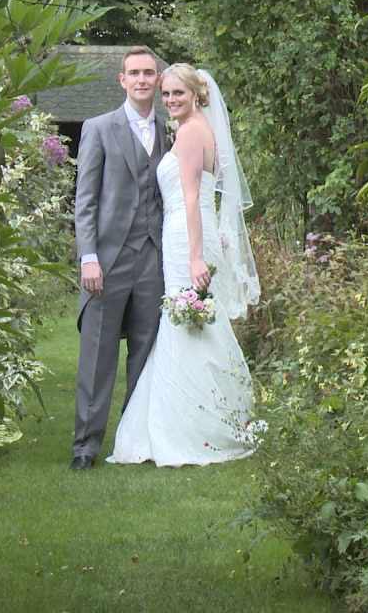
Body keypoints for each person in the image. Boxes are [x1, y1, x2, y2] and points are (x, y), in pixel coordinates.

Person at [106, 64, 262, 467]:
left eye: (179, 94)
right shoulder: (192, 129)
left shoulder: (193, 132)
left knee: (188, 323)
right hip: (186, 232)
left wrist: (194, 257)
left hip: (186, 236)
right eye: (167, 95)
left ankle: (191, 427)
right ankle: (199, 417)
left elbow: (191, 197)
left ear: (197, 95)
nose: (171, 101)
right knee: (189, 324)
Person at [69, 46, 169, 470]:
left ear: (158, 80)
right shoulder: (98, 127)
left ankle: (134, 440)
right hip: (108, 257)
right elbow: (85, 199)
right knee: (98, 351)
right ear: (122, 80)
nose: (142, 79)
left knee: (146, 350)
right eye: (135, 73)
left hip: (154, 255)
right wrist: (88, 256)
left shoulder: (171, 131)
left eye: (149, 73)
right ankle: (85, 447)